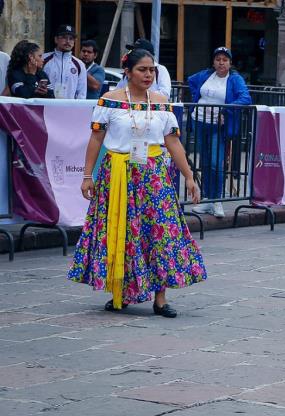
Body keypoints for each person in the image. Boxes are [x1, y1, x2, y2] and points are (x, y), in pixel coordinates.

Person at [67, 49, 206, 318]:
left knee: (160, 232)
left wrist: (189, 176)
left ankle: (161, 298)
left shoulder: (162, 102)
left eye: (152, 69)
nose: (148, 74)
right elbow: (96, 139)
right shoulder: (110, 101)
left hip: (153, 176)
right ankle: (121, 292)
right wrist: (87, 176)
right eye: (142, 69)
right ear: (127, 72)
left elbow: (172, 142)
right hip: (117, 173)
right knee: (122, 230)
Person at [187, 46, 252, 218]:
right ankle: (207, 199)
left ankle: (217, 200)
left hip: (218, 126)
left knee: (217, 162)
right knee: (206, 161)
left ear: (230, 63)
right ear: (213, 62)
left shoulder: (235, 79)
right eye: (218, 59)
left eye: (224, 59)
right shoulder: (205, 75)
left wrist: (226, 110)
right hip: (200, 121)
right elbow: (191, 81)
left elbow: (245, 98)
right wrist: (196, 98)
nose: (221, 62)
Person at [42, 24, 87, 99]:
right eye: (64, 37)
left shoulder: (79, 64)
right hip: (47, 107)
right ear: (56, 39)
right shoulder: (43, 59)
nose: (68, 41)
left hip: (69, 108)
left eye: (71, 38)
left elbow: (81, 92)